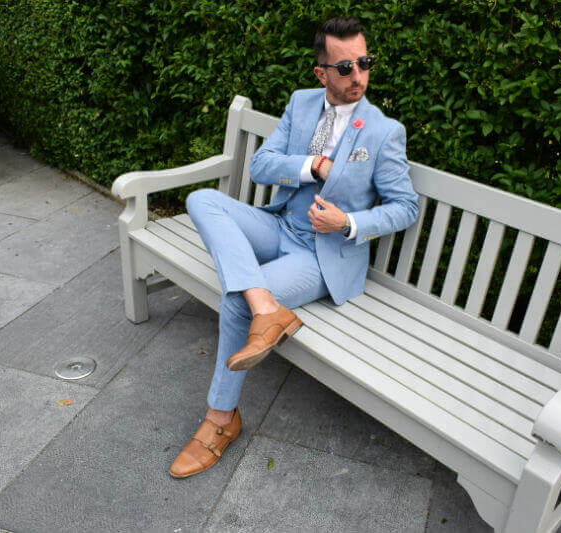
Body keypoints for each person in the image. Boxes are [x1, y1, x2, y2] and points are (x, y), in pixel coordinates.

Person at [169, 16, 419, 478]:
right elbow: (263, 165)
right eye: (344, 68)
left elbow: (406, 207)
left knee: (235, 301)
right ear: (321, 72)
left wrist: (349, 222)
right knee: (202, 199)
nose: (358, 76)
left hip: (322, 256)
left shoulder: (384, 131)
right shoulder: (301, 104)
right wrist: (313, 166)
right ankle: (266, 304)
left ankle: (221, 419)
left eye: (364, 62)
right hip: (279, 226)